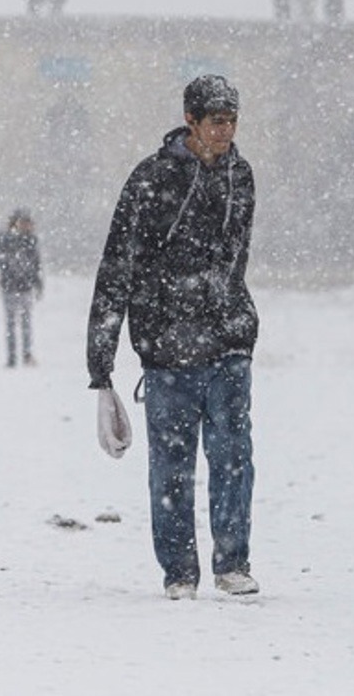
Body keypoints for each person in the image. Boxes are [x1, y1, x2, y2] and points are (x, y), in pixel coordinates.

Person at [86, 75, 261, 601]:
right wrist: (101, 362)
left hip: (227, 341)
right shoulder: (150, 179)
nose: (225, 132)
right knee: (172, 468)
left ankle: (233, 562)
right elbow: (116, 266)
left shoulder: (241, 176)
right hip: (167, 349)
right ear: (190, 120)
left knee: (234, 459)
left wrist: (234, 317)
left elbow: (235, 256)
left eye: (232, 121)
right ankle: (179, 572)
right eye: (215, 122)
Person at [0, 208, 43, 368]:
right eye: (24, 222)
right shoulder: (5, 241)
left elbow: (36, 265)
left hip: (25, 287)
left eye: (29, 223)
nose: (28, 226)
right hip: (10, 287)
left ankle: (26, 356)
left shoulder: (30, 241)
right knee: (13, 324)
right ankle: (13, 358)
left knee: (24, 324)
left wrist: (38, 284)